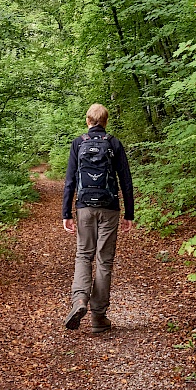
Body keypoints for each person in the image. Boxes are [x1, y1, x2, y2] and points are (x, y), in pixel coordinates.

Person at [62, 103, 133, 333]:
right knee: (104, 261)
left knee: (83, 255)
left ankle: (80, 300)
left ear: (87, 120)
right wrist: (129, 213)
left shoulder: (78, 143)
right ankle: (98, 317)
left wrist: (66, 213)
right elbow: (126, 180)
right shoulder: (113, 143)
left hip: (84, 207)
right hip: (109, 207)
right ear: (106, 121)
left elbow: (70, 181)